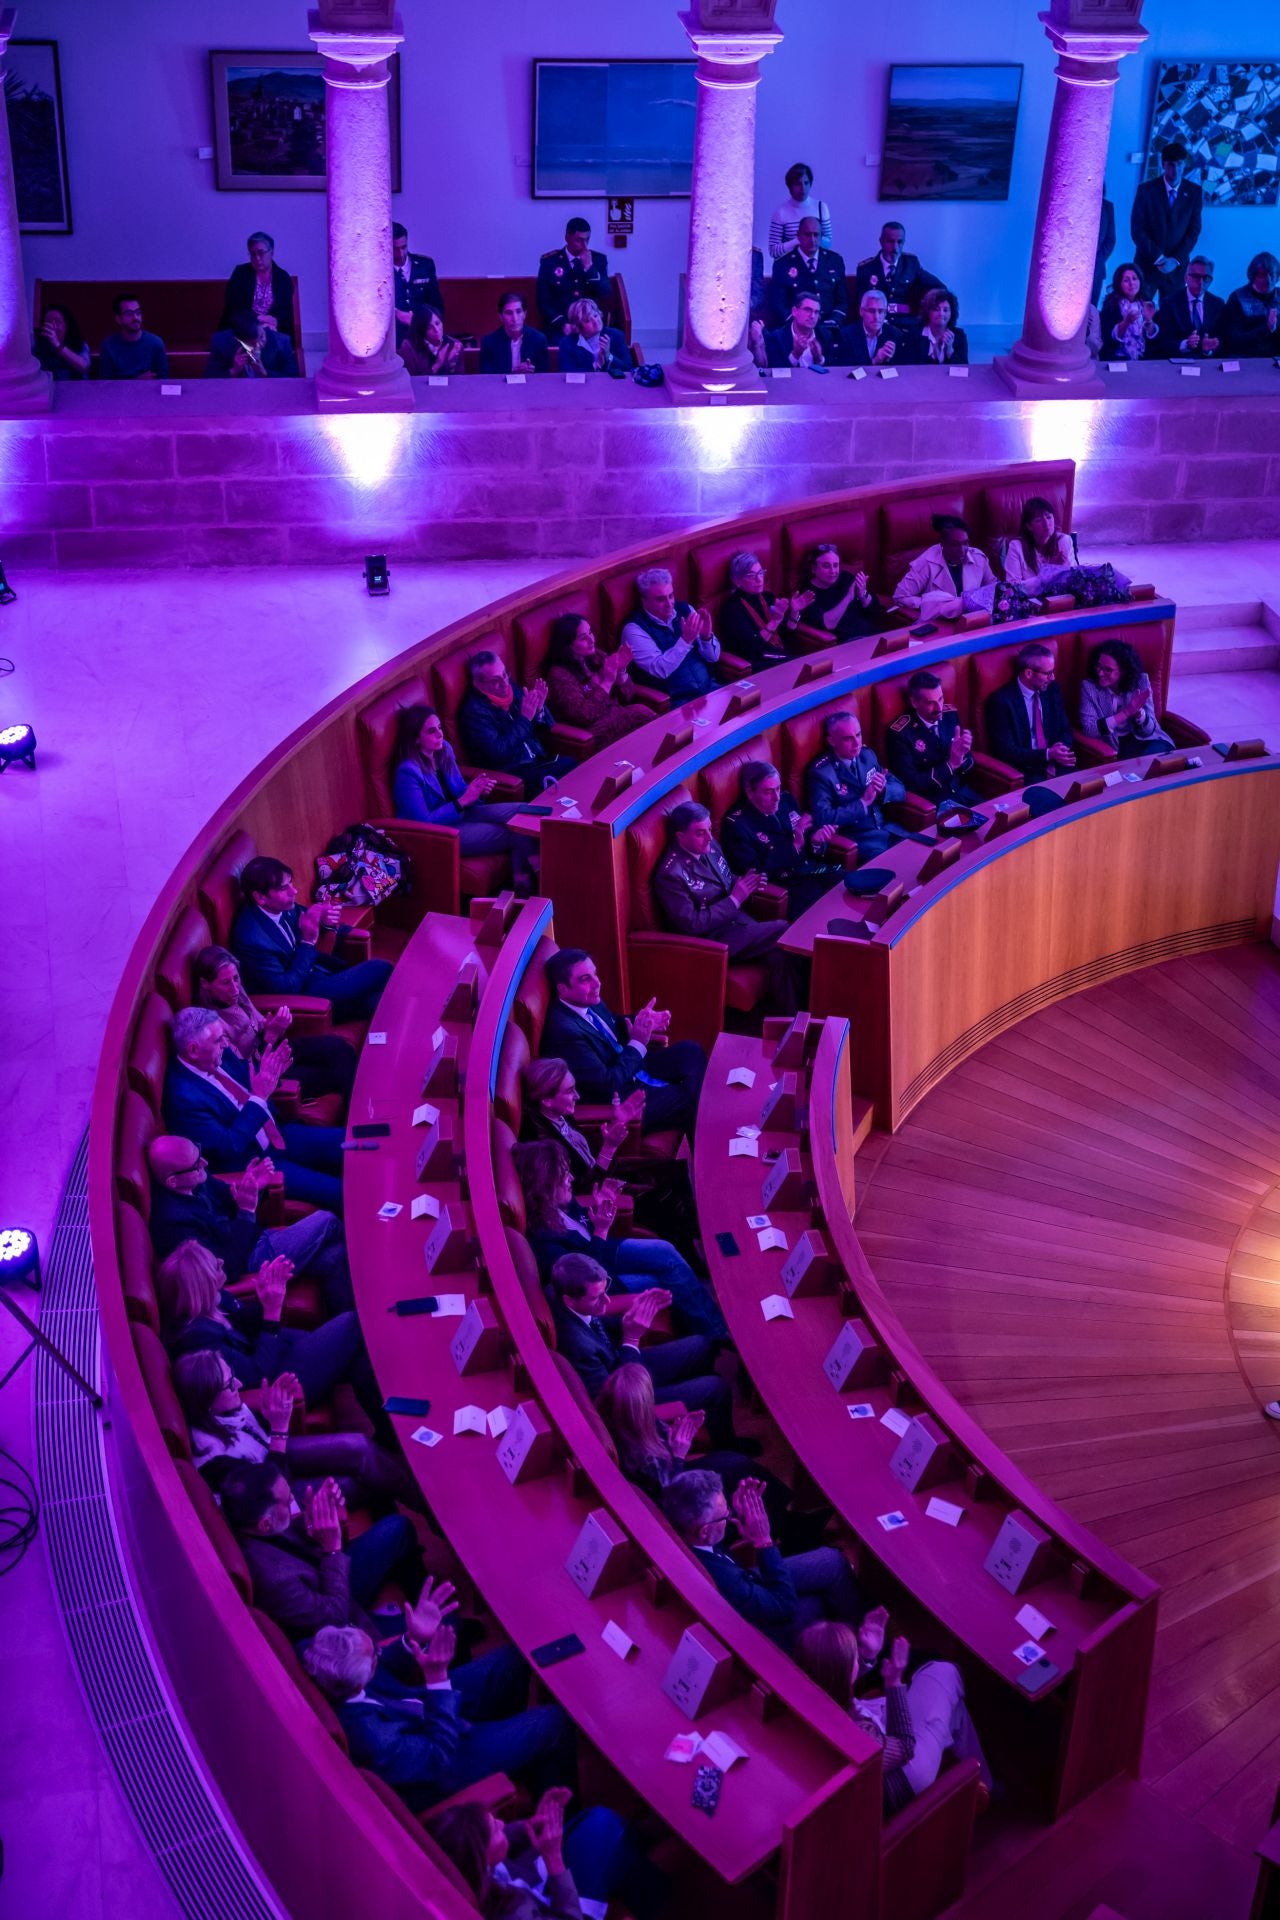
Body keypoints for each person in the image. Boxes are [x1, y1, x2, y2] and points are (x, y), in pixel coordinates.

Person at [302, 1618, 576, 1814]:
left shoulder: (330, 1662)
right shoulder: (373, 1739)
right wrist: (437, 1679)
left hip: (422, 1708)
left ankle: (517, 1752)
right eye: (373, 1655)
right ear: (359, 1683)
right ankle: (565, 1815)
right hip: (449, 1757)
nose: (378, 1652)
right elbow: (438, 1755)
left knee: (512, 1657)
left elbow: (382, 1663)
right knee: (553, 1721)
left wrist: (412, 1638)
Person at [513, 1141, 727, 1343]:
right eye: (562, 1176)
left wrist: (597, 1207)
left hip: (600, 1249)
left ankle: (711, 1325)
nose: (571, 1178)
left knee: (665, 1252)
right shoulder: (547, 1246)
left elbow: (582, 1224)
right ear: (543, 1187)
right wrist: (601, 1230)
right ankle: (715, 1333)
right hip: (602, 1282)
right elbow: (589, 1280)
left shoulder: (559, 1204)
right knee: (665, 1278)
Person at [155, 1237, 379, 1418]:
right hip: (279, 1383)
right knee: (353, 1322)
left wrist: (265, 1299)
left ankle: (385, 1419)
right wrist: (272, 1313)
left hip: (277, 1350)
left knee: (355, 1346)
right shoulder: (201, 1343)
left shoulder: (214, 1300)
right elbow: (257, 1375)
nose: (222, 1262)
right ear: (200, 1289)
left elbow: (248, 1322)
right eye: (215, 1266)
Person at [796, 1616, 989, 1812]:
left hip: (877, 1751)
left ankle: (981, 1782)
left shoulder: (804, 1694)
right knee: (944, 1671)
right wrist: (894, 1681)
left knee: (952, 1708)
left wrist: (866, 1657)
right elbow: (905, 1745)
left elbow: (834, 1681)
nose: (858, 1658)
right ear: (843, 1670)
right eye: (854, 1656)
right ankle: (983, 1787)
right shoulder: (857, 1734)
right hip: (902, 1776)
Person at [162, 1006, 346, 1212]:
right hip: (256, 1164)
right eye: (218, 1040)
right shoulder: (183, 1098)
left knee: (353, 1144)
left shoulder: (216, 1054)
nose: (225, 1044)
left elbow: (251, 1078)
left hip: (280, 1136)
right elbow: (228, 1146)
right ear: (193, 1050)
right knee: (341, 1192)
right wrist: (259, 1096)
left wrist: (270, 1073)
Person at [174, 1351, 415, 1506]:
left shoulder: (221, 1411)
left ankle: (420, 1488)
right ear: (206, 1403)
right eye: (229, 1385)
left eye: (232, 1375)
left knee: (358, 1446)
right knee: (359, 1483)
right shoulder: (215, 1462)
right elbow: (273, 1489)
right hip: (276, 1500)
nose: (239, 1384)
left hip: (272, 1457)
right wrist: (279, 1428)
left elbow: (258, 1440)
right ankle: (428, 1505)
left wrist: (271, 1417)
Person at [543, 1252, 735, 1444]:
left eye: (605, 1290)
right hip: (629, 1394)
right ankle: (725, 1444)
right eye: (596, 1298)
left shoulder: (557, 1289)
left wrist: (635, 1313)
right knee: (716, 1388)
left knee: (702, 1345)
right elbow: (619, 1401)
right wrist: (631, 1338)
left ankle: (700, 1404)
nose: (607, 1302)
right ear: (570, 1300)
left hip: (620, 1361)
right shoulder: (578, 1347)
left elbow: (597, 1321)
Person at [217, 1462, 421, 1642]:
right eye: (288, 1503)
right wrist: (332, 1550)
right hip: (339, 1610)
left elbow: (287, 1540)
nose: (292, 1504)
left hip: (323, 1574)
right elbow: (335, 1617)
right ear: (265, 1524)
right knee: (447, 1624)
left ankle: (416, 1593)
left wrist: (315, 1517)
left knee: (399, 1527)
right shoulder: (275, 1582)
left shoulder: (249, 1523)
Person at [663, 1469, 864, 1650]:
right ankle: (862, 1651)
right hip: (758, 1631)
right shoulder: (725, 1581)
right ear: (705, 1531)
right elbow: (784, 1606)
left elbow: (713, 1540)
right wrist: (763, 1542)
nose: (729, 1516)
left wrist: (740, 1519)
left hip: (746, 1580)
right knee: (819, 1603)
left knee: (832, 1561)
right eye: (725, 1516)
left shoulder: (681, 1526)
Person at [149, 1132, 351, 1302]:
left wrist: (253, 1186)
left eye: (199, 1153)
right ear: (172, 1182)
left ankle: (357, 1318)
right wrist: (246, 1211)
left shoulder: (193, 1177)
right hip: (249, 1260)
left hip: (253, 1237)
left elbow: (227, 1196)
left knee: (335, 1257)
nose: (205, 1162)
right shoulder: (174, 1224)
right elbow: (227, 1268)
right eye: (196, 1164)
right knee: (327, 1220)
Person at [520, 1057, 697, 1250]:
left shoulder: (558, 1115)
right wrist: (609, 1147)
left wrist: (615, 1123)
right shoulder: (545, 1145)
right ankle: (691, 1251)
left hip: (606, 1174)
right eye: (570, 1091)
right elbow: (580, 1187)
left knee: (676, 1172)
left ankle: (698, 1235)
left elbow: (583, 1156)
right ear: (546, 1100)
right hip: (598, 1193)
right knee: (666, 1197)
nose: (577, 1096)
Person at [599, 1362, 795, 1532]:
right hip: (686, 1502)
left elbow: (655, 1437)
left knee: (735, 1462)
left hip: (675, 1470)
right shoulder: (642, 1460)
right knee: (745, 1486)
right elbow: (672, 1496)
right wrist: (678, 1454)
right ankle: (788, 1522)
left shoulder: (620, 1419)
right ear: (640, 1410)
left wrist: (671, 1436)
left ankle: (788, 1505)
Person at [540, 946, 707, 1139]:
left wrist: (641, 1021)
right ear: (562, 988)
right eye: (585, 979)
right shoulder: (564, 1033)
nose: (597, 983)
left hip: (631, 1065)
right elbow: (607, 1084)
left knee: (691, 1051)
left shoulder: (586, 999)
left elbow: (611, 1023)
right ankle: (712, 1150)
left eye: (595, 974)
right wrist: (637, 1042)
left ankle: (707, 1120)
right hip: (622, 1096)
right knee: (689, 1099)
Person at [428, 1789, 669, 1920]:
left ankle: (639, 1845)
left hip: (530, 1883)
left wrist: (529, 1825)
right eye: (495, 1830)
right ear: (480, 1859)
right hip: (564, 1909)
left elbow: (501, 1837)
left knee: (597, 1823)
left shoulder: (455, 1859)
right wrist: (554, 1859)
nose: (503, 1823)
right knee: (604, 1824)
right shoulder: (515, 1915)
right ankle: (660, 1897)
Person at [654, 802, 797, 1016]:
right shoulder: (670, 874)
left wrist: (747, 883)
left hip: (735, 923)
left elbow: (726, 881)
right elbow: (691, 924)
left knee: (779, 955)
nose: (709, 838)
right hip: (711, 941)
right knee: (785, 929)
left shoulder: (710, 847)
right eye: (700, 833)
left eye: (709, 829)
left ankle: (788, 1021)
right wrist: (735, 899)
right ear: (680, 836)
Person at [231, 855, 393, 1022]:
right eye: (283, 888)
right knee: (380, 968)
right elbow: (286, 989)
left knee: (378, 1002)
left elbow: (309, 922)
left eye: (291, 883)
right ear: (260, 897)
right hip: (304, 995)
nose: (293, 891)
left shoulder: (282, 906)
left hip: (319, 975)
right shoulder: (251, 940)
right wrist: (308, 942)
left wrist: (325, 922)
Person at [390, 704, 534, 888]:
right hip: (443, 833)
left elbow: (460, 792)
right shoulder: (408, 773)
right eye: (431, 731)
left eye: (440, 728)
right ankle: (530, 885)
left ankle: (531, 882)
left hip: (465, 813)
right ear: (416, 739)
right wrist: (464, 800)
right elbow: (422, 822)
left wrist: (477, 792)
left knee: (524, 812)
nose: (440, 734)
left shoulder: (444, 750)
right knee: (514, 831)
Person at [192, 944, 355, 1104]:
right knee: (331, 1076)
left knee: (338, 1047)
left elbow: (260, 1023)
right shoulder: (211, 1027)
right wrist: (269, 1037)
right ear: (205, 984)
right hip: (265, 1071)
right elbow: (244, 1075)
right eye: (226, 983)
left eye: (236, 978)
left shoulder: (236, 992)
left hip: (273, 1048)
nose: (234, 988)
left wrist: (274, 1025)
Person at [721, 761, 841, 917]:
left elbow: (808, 838)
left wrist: (816, 842)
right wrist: (795, 846)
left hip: (812, 871)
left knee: (851, 889)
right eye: (768, 792)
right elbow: (755, 871)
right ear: (750, 793)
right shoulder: (737, 825)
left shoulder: (786, 800)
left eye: (777, 788)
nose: (776, 797)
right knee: (827, 915)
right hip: (786, 887)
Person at [456, 650, 574, 796]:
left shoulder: (510, 689)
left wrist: (539, 709)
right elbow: (498, 752)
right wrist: (524, 719)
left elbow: (547, 729)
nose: (504, 683)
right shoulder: (474, 712)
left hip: (539, 761)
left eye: (505, 674)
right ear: (478, 683)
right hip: (514, 775)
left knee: (575, 770)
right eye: (496, 680)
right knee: (569, 772)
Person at [806, 709, 905, 864]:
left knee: (922, 856)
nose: (856, 743)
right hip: (859, 840)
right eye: (848, 739)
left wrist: (883, 790)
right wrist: (863, 803)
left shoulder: (867, 755)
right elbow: (822, 817)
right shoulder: (821, 773)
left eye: (858, 735)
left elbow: (900, 789)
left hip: (888, 830)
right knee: (896, 869)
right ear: (832, 741)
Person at [1001, 497, 1132, 610]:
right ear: (1029, 526)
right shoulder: (1016, 547)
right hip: (1031, 607)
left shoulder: (1064, 541)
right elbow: (1011, 589)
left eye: (1048, 517)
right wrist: (1048, 574)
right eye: (1039, 520)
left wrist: (1059, 571)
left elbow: (1072, 582)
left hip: (1063, 603)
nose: (1047, 523)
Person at [542, 614, 648, 749]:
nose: (591, 640)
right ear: (567, 645)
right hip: (593, 732)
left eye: (590, 632)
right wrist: (607, 682)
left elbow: (628, 696)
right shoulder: (558, 675)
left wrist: (621, 671)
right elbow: (585, 715)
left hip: (619, 715)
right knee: (642, 715)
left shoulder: (597, 655)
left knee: (645, 717)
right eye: (582, 638)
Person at [619, 567, 722, 702]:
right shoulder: (634, 630)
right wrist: (685, 641)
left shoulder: (685, 609)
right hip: (677, 702)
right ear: (644, 601)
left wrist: (706, 637)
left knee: (747, 708)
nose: (669, 604)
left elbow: (713, 658)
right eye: (660, 599)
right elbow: (660, 670)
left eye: (671, 596)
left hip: (709, 688)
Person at [885, 669, 980, 812]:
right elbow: (912, 783)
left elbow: (967, 764)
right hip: (934, 802)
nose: (939, 708)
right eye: (931, 703)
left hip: (961, 791)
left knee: (996, 818)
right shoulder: (901, 733)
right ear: (914, 702)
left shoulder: (950, 715)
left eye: (941, 699)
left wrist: (964, 755)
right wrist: (951, 764)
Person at [984, 642, 1076, 782]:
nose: (1053, 678)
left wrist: (1059, 750)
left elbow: (1066, 729)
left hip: (1058, 764)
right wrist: (1047, 755)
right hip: (1026, 772)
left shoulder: (1052, 690)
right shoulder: (1001, 702)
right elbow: (1006, 752)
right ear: (1028, 673)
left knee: (1091, 790)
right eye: (1048, 673)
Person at [1130, 142, 1202, 306]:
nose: (1175, 170)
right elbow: (1137, 229)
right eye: (1171, 164)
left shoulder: (1194, 192)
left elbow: (1194, 231)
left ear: (1184, 164)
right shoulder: (1146, 190)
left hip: (1176, 269)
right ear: (1163, 164)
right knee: (1138, 312)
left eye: (1180, 164)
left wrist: (1175, 260)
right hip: (1147, 264)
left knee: (1172, 316)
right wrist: (1160, 258)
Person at [1078, 637, 1173, 757]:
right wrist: (1126, 713)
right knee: (1141, 768)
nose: (1100, 673)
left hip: (1148, 740)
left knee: (1165, 759)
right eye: (1099, 666)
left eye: (1108, 670)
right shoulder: (1089, 687)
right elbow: (1089, 729)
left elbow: (1150, 730)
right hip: (1117, 745)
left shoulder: (1140, 681)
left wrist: (1140, 715)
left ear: (1124, 671)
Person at [892, 515, 998, 620]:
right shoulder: (926, 563)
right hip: (939, 622)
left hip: (972, 620)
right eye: (955, 545)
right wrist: (930, 604)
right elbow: (900, 596)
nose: (962, 550)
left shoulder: (979, 558)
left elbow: (993, 589)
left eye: (965, 543)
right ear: (942, 544)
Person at [717, 552, 804, 669]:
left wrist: (794, 612)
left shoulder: (768, 597)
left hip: (780, 655)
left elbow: (787, 635)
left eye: (761, 573)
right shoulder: (732, 609)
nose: (759, 580)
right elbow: (752, 649)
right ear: (737, 581)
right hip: (759, 663)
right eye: (752, 575)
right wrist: (775, 621)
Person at [537, 217, 613, 339]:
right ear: (567, 237)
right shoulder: (550, 262)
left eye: (587, 240)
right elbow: (543, 301)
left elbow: (605, 293)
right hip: (561, 326)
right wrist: (562, 324)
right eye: (579, 240)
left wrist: (589, 268)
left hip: (591, 325)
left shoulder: (598, 260)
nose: (585, 246)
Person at [768, 216, 848, 329]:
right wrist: (798, 325)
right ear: (798, 235)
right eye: (807, 234)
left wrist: (834, 320)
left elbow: (842, 301)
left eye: (816, 235)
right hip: (796, 329)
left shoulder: (834, 261)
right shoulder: (783, 264)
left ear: (821, 237)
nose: (812, 239)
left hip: (829, 328)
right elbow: (778, 304)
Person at [794, 542, 884, 642]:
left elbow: (876, 611)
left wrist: (863, 596)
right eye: (826, 566)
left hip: (874, 634)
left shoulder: (846, 578)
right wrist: (848, 598)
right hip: (849, 642)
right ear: (813, 569)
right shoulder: (807, 595)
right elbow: (829, 624)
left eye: (836, 565)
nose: (833, 571)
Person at [853, 221, 939, 323]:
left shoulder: (911, 264)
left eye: (899, 242)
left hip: (907, 324)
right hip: (878, 325)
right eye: (890, 241)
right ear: (881, 242)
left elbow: (937, 287)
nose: (895, 248)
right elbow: (862, 305)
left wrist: (924, 308)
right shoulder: (866, 269)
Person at [220, 231, 296, 339]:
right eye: (252, 254)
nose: (257, 258)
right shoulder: (240, 273)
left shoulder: (283, 278)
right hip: (242, 329)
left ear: (271, 253)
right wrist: (258, 319)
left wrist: (275, 321)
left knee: (271, 340)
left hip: (272, 331)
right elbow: (234, 306)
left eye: (261, 253)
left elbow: (286, 313)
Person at [1155, 256, 1225, 359]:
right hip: (1178, 364)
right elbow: (1162, 343)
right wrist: (1185, 344)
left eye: (1206, 278)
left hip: (1209, 365)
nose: (1201, 282)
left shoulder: (1218, 304)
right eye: (1196, 276)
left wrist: (1208, 350)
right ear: (1186, 278)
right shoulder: (1169, 303)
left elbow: (1224, 340)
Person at [751, 290, 830, 371]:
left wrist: (819, 359)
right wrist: (795, 355)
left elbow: (836, 370)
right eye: (807, 310)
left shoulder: (826, 336)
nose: (813, 316)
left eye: (816, 312)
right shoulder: (777, 338)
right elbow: (775, 372)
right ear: (794, 311)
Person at [768, 161, 833, 258]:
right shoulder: (780, 213)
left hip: (816, 266)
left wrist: (809, 239)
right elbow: (773, 251)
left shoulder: (821, 207)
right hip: (791, 267)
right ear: (790, 186)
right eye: (798, 184)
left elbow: (828, 243)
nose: (803, 188)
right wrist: (798, 240)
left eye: (806, 183)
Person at [392, 221, 444, 342]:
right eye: (395, 249)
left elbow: (437, 305)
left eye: (403, 247)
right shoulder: (380, 271)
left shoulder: (424, 265)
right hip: (394, 338)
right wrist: (396, 314)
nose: (400, 254)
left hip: (423, 336)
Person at [205, 311, 298, 378]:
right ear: (238, 340)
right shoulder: (220, 342)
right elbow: (209, 377)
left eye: (262, 337)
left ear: (261, 325)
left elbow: (293, 377)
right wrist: (233, 371)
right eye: (252, 343)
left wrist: (265, 373)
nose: (259, 345)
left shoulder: (282, 341)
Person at [99, 293, 168, 380]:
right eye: (129, 314)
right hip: (118, 393)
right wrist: (136, 381)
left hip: (148, 392)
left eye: (138, 313)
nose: (135, 318)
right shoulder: (108, 346)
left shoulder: (156, 343)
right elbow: (105, 385)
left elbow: (163, 382)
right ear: (118, 319)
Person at [479, 292, 550, 376]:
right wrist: (513, 374)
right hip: (500, 388)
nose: (515, 319)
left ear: (525, 314)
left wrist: (533, 371)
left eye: (518, 312)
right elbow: (486, 378)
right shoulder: (489, 343)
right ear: (500, 316)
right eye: (509, 313)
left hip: (530, 387)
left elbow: (544, 376)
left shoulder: (539, 340)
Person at [1224, 253, 1280, 358]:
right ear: (1252, 276)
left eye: (1272, 274)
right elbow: (1232, 340)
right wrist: (1266, 328)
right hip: (1246, 358)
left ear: (1277, 277)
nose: (1268, 280)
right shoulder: (1237, 298)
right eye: (1262, 275)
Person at [1099, 264, 1159, 362]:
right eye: (1126, 280)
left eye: (1135, 279)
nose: (1132, 283)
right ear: (1119, 284)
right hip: (1117, 359)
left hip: (1143, 359)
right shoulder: (1110, 305)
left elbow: (1155, 339)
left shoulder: (1147, 302)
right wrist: (1126, 322)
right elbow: (1108, 338)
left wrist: (1149, 321)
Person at [831, 289, 903, 369]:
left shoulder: (895, 335)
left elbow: (900, 370)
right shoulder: (846, 336)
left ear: (885, 313)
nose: (876, 317)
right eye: (872, 311)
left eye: (881, 311)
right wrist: (875, 361)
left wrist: (889, 359)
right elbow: (846, 371)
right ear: (861, 311)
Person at [558, 297, 627, 374]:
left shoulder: (616, 335)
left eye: (595, 316)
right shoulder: (567, 343)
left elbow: (628, 369)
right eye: (588, 320)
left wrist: (608, 356)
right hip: (582, 386)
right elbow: (568, 374)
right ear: (578, 326)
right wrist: (596, 365)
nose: (595, 322)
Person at [904, 287, 968, 366]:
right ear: (927, 311)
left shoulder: (959, 336)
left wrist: (950, 350)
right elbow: (911, 369)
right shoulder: (914, 335)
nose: (941, 314)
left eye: (945, 310)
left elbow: (963, 370)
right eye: (936, 309)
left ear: (952, 313)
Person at [399, 305, 463, 377]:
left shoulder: (454, 345)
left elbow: (459, 380)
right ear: (421, 330)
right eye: (429, 327)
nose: (436, 330)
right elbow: (413, 381)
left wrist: (448, 363)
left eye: (437, 323)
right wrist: (438, 364)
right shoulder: (408, 347)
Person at [32, 303, 89, 380]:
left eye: (57, 322)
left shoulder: (80, 343)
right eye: (48, 322)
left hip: (75, 388)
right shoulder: (37, 345)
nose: (53, 326)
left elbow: (83, 366)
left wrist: (57, 345)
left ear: (66, 325)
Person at [1092, 192, 1116, 310]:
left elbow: (1111, 240)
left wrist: (1098, 259)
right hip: (1072, 267)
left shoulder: (1107, 207)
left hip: (1097, 267)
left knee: (1091, 310)